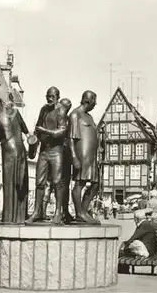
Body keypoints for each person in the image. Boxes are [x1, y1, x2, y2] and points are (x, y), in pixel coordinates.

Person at [27, 87, 67, 224]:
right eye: (48, 96)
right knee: (39, 182)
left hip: (56, 151)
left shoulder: (61, 110)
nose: (49, 99)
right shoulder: (43, 110)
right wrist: (34, 142)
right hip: (44, 150)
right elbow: (37, 128)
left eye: (52, 97)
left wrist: (45, 130)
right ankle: (37, 212)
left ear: (57, 97)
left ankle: (58, 213)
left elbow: (62, 131)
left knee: (57, 182)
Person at [0, 91, 29, 224]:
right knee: (21, 182)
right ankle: (20, 217)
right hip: (21, 148)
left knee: (9, 182)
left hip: (8, 150)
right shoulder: (15, 113)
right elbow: (25, 130)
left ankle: (8, 217)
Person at [69, 90, 100, 224]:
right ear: (88, 100)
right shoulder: (75, 114)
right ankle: (79, 213)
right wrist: (74, 157)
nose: (96, 104)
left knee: (96, 184)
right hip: (81, 153)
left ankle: (83, 210)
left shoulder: (90, 117)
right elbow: (71, 138)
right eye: (94, 101)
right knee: (80, 183)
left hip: (91, 156)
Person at [118, 209, 157, 274]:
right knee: (125, 250)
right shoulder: (146, 224)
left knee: (121, 252)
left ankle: (123, 272)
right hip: (150, 250)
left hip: (147, 251)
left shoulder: (143, 225)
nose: (134, 221)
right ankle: (124, 271)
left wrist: (124, 245)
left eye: (134, 219)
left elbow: (133, 238)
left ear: (137, 219)